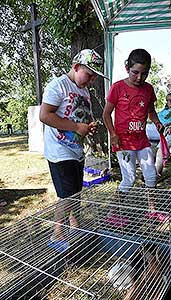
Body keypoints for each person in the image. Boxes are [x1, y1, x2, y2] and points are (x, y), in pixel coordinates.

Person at [39, 49, 108, 252]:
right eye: (89, 74)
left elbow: (81, 117)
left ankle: (75, 225)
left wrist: (88, 125)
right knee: (67, 195)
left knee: (76, 191)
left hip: (76, 149)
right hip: (59, 150)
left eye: (95, 76)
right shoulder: (58, 85)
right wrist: (77, 128)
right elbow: (45, 115)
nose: (92, 80)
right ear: (76, 67)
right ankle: (56, 234)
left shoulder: (84, 91)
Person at [103, 48, 164, 216]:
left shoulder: (148, 89)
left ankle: (152, 210)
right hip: (123, 143)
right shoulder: (117, 87)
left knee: (151, 175)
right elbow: (106, 114)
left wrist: (157, 122)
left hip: (142, 141)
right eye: (135, 72)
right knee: (129, 179)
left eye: (144, 74)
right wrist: (113, 134)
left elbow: (151, 111)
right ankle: (113, 212)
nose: (139, 78)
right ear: (127, 68)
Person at [155, 93, 171, 176]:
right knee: (160, 152)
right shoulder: (164, 112)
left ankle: (166, 174)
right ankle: (156, 173)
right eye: (167, 100)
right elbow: (158, 119)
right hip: (166, 136)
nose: (169, 102)